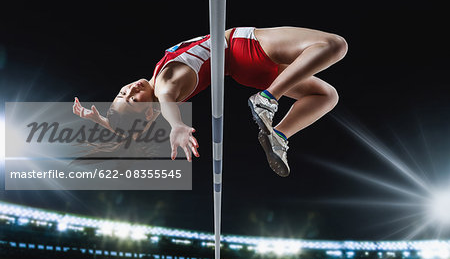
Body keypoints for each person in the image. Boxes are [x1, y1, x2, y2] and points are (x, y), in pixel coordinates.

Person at [73, 26, 348, 177]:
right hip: (242, 47)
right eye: (134, 99)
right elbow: (167, 103)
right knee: (334, 45)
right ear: (148, 112)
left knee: (326, 96)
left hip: (245, 71)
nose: (131, 90)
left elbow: (132, 130)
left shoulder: (153, 100)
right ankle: (267, 99)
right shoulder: (165, 85)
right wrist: (177, 125)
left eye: (123, 93)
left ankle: (278, 135)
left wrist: (100, 120)